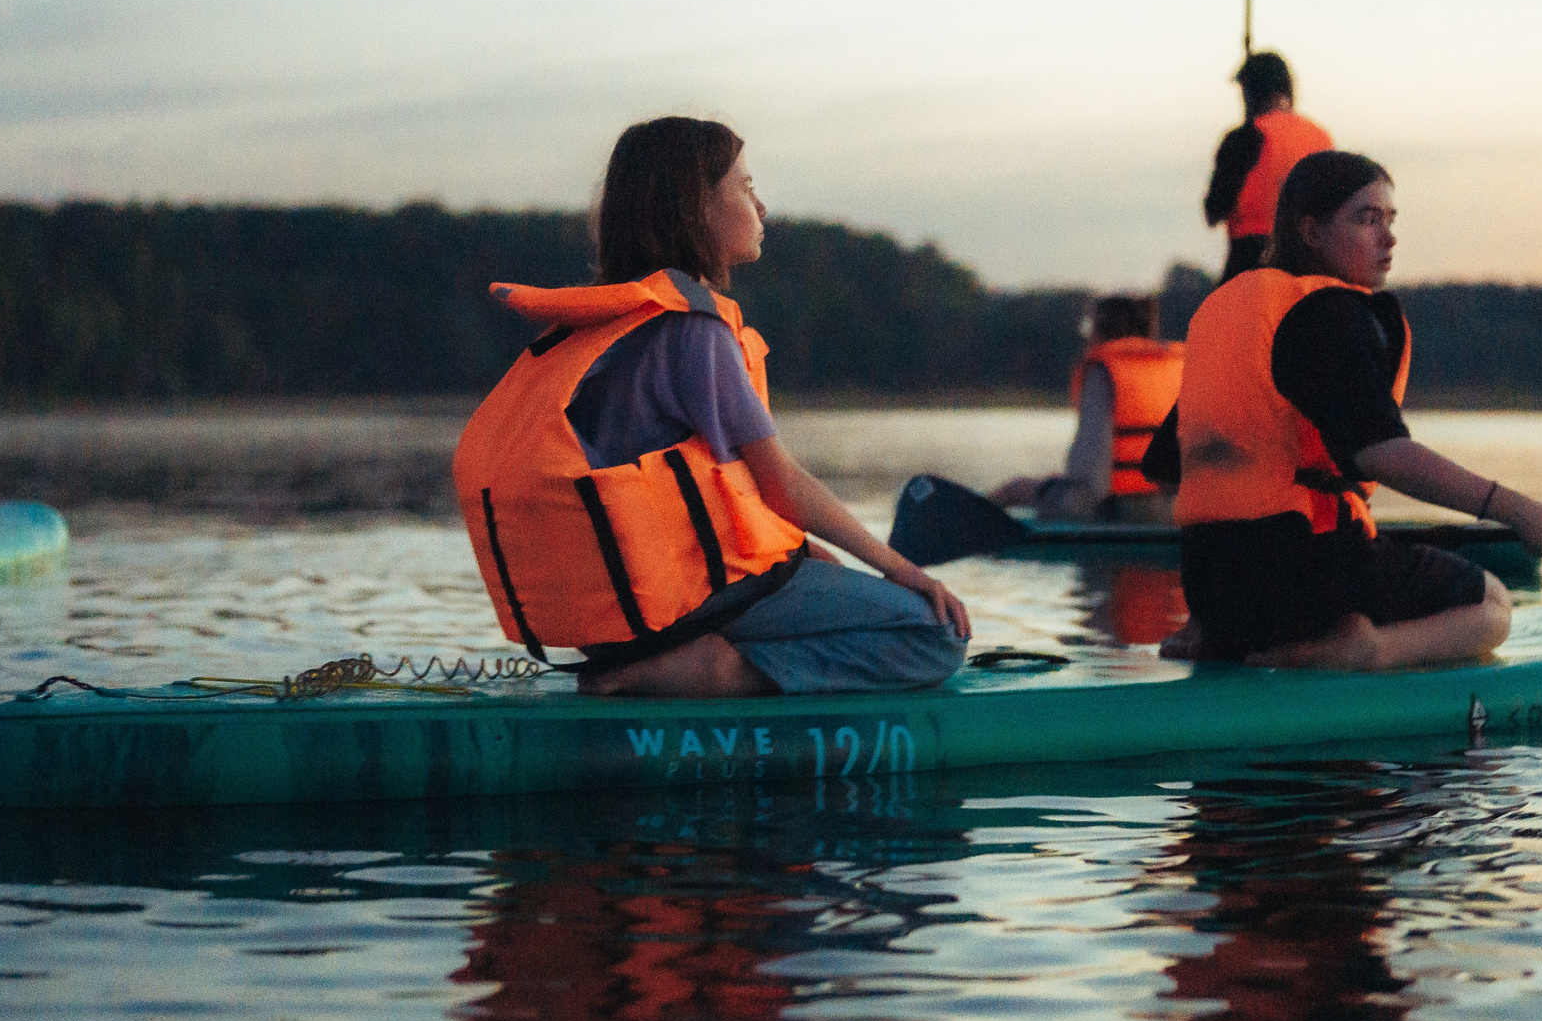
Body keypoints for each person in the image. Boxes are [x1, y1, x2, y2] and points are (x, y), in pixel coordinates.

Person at [452, 115, 971, 698]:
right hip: (691, 610)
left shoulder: (607, 324)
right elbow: (779, 481)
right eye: (746, 188)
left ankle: (677, 662)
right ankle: (719, 673)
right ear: (696, 207)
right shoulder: (693, 329)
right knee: (934, 632)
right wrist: (902, 570)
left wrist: (803, 555)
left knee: (824, 570)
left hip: (620, 624)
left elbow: (715, 494)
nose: (763, 207)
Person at [1150, 150, 1542, 670]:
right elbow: (1380, 452)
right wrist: (1516, 509)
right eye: (1367, 219)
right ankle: (1365, 648)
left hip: (1210, 588)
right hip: (1303, 577)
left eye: (1390, 220)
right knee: (1493, 606)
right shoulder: (1325, 312)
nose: (1389, 237)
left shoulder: (1225, 310)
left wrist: (1211, 609)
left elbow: (1170, 469)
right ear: (1311, 231)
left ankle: (1248, 638)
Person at [990, 293, 1182, 523]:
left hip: (1116, 511)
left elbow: (1092, 478)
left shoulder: (1105, 371)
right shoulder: (1182, 368)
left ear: (1100, 330)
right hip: (1177, 510)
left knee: (1015, 489)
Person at [1202, 51, 1333, 281]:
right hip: (1313, 262)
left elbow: (1215, 211)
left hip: (1253, 260)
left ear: (1250, 93)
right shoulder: (1321, 137)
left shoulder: (1244, 138)